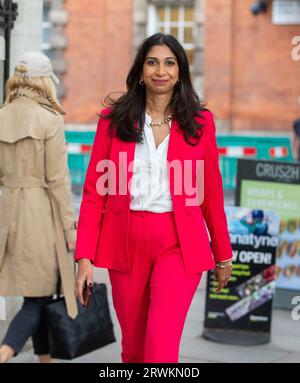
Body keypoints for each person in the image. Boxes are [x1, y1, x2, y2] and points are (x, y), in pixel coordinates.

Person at [75, 33, 233, 363]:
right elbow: (94, 195)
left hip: (178, 244)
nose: (161, 70)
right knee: (133, 350)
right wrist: (84, 259)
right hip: (124, 243)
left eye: (169, 62)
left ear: (180, 71)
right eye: (152, 62)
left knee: (160, 351)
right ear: (141, 71)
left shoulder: (200, 123)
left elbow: (212, 194)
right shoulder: (114, 121)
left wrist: (223, 254)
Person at [0, 52, 78, 363]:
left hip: (6, 211)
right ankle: (4, 353)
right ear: (44, 81)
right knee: (40, 296)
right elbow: (58, 181)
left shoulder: (1, 115)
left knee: (38, 295)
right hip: (39, 215)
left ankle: (45, 360)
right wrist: (70, 228)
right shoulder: (50, 119)